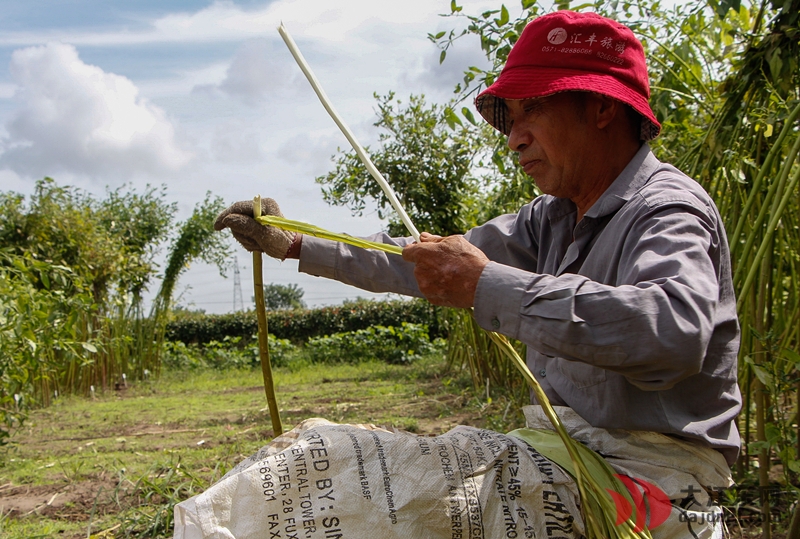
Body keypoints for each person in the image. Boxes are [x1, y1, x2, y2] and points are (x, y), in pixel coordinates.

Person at [189, 10, 741, 539]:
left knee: (348, 485)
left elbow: (671, 333)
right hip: (564, 454)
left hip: (654, 479)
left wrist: (485, 284)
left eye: (533, 112)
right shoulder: (549, 221)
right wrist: (297, 244)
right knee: (310, 474)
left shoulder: (666, 210)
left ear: (601, 108)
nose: (514, 137)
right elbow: (423, 262)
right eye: (511, 119)